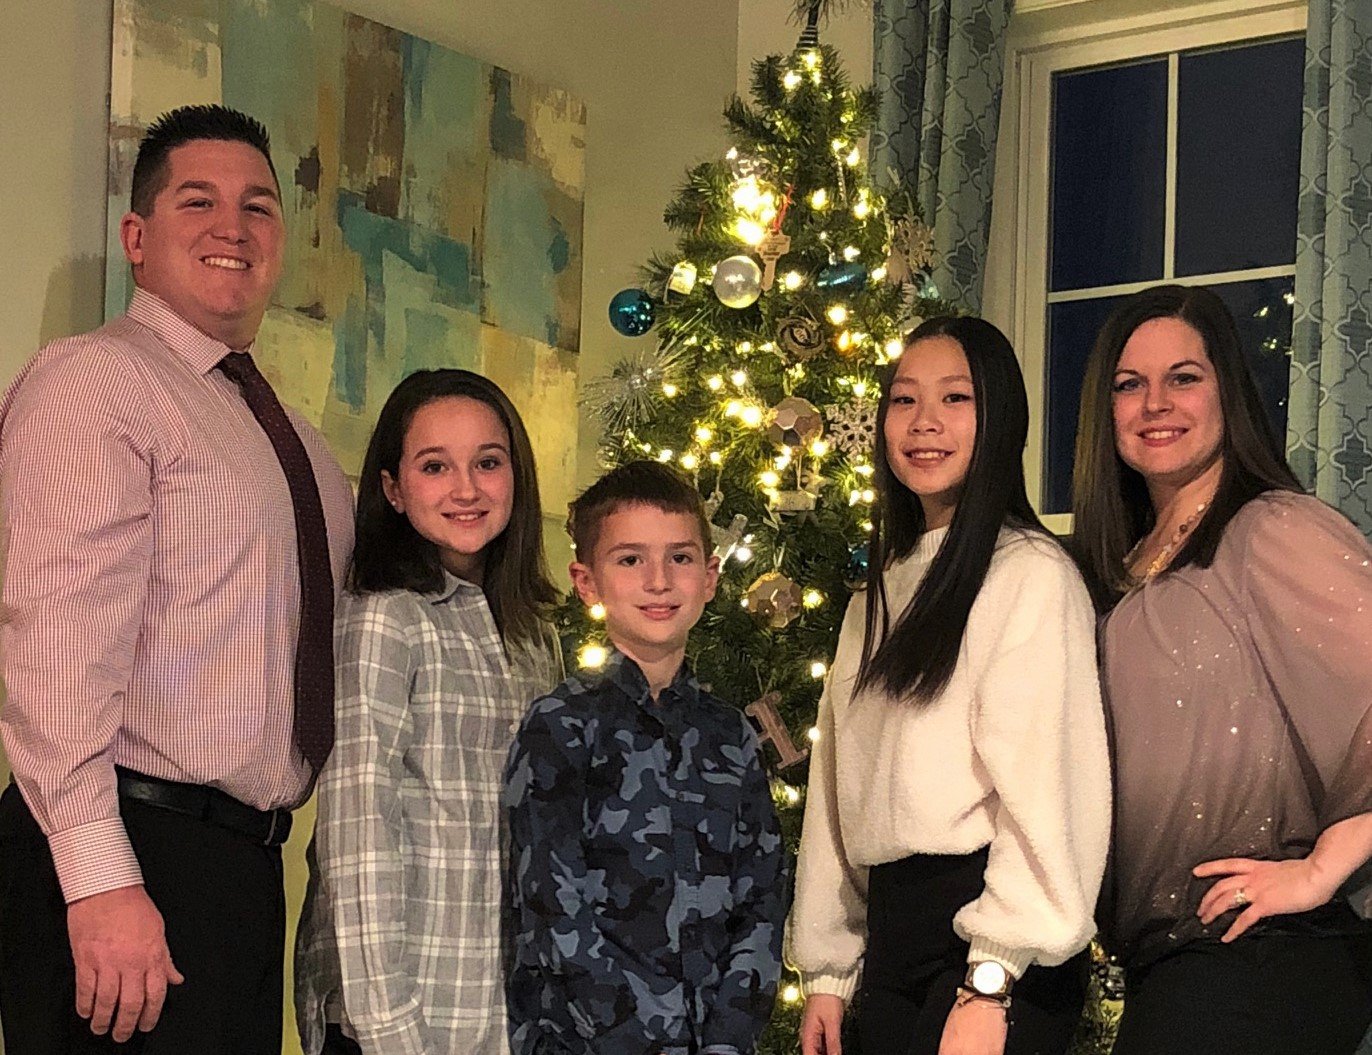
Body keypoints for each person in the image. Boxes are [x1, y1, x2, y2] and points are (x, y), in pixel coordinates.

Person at [0, 105, 354, 1054]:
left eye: (258, 206)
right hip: (125, 850)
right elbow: (54, 642)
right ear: (137, 237)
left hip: (243, 871)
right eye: (197, 200)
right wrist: (100, 878)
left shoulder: (301, 449)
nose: (232, 226)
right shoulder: (95, 382)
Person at [788, 316, 1110, 1055]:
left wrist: (991, 978)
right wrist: (830, 971)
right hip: (895, 947)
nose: (924, 422)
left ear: (999, 417)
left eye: (955, 398)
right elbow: (839, 797)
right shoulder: (874, 596)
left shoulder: (1028, 573)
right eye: (904, 400)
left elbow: (1049, 791)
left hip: (993, 947)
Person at [1070, 283, 1372, 1054]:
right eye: (1129, 385)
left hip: (1263, 952)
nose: (1154, 403)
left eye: (1184, 377)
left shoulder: (1267, 528)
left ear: (1227, 391)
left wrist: (1318, 870)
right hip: (1178, 962)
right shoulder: (1125, 575)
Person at [294, 368, 563, 1055]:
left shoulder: (535, 634)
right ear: (392, 487)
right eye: (435, 466)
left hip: (502, 1009)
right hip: (402, 1012)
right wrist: (386, 1023)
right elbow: (359, 822)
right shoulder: (386, 617)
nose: (466, 488)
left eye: (488, 463)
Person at [503, 460, 786, 1055]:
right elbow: (553, 906)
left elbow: (761, 894)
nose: (658, 581)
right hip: (588, 1040)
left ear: (710, 577)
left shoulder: (731, 734)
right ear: (587, 582)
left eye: (680, 558)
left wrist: (729, 1037)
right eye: (630, 560)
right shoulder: (560, 725)